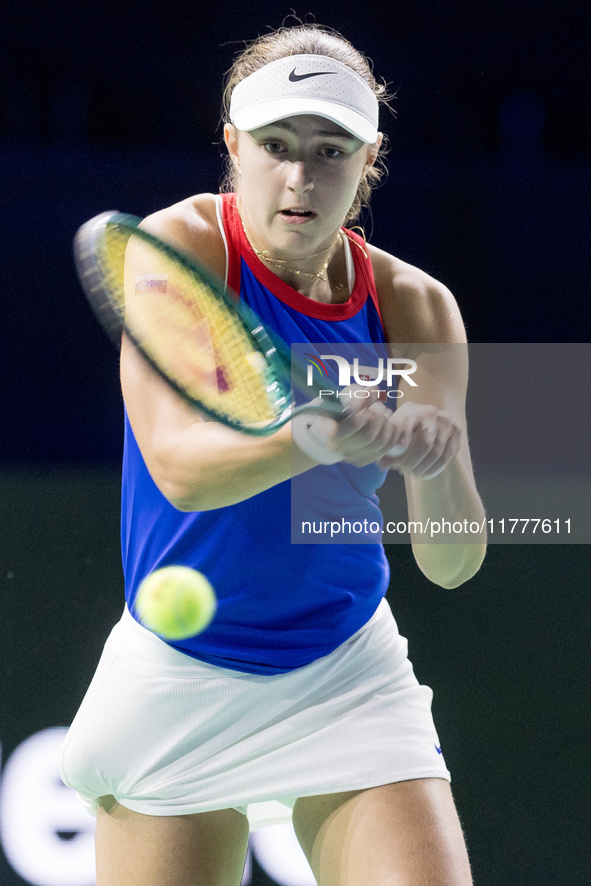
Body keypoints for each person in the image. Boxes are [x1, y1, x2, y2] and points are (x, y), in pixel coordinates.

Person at [60, 22, 486, 886]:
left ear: (369, 160)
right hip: (179, 679)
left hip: (347, 670)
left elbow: (451, 564)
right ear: (232, 146)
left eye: (330, 150)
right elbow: (179, 469)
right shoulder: (182, 252)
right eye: (275, 146)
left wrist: (435, 463)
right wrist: (308, 436)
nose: (300, 176)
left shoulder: (418, 309)